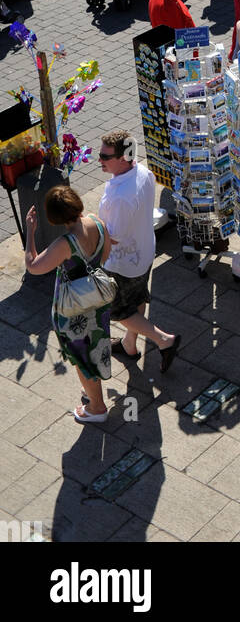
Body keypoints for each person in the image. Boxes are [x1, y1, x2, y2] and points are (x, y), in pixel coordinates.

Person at [24, 185, 113, 423]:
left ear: (54, 218)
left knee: (82, 356)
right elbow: (106, 253)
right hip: (98, 302)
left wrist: (30, 232)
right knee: (96, 347)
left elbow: (33, 267)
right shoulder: (97, 222)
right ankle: (92, 392)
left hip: (75, 310)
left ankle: (97, 408)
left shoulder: (65, 244)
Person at [98, 130, 180, 369]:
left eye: (105, 156)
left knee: (119, 310)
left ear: (123, 158)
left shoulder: (121, 197)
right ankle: (129, 344)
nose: (100, 160)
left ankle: (165, 340)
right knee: (138, 297)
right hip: (143, 252)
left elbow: (114, 237)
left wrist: (90, 225)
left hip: (122, 263)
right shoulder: (143, 172)